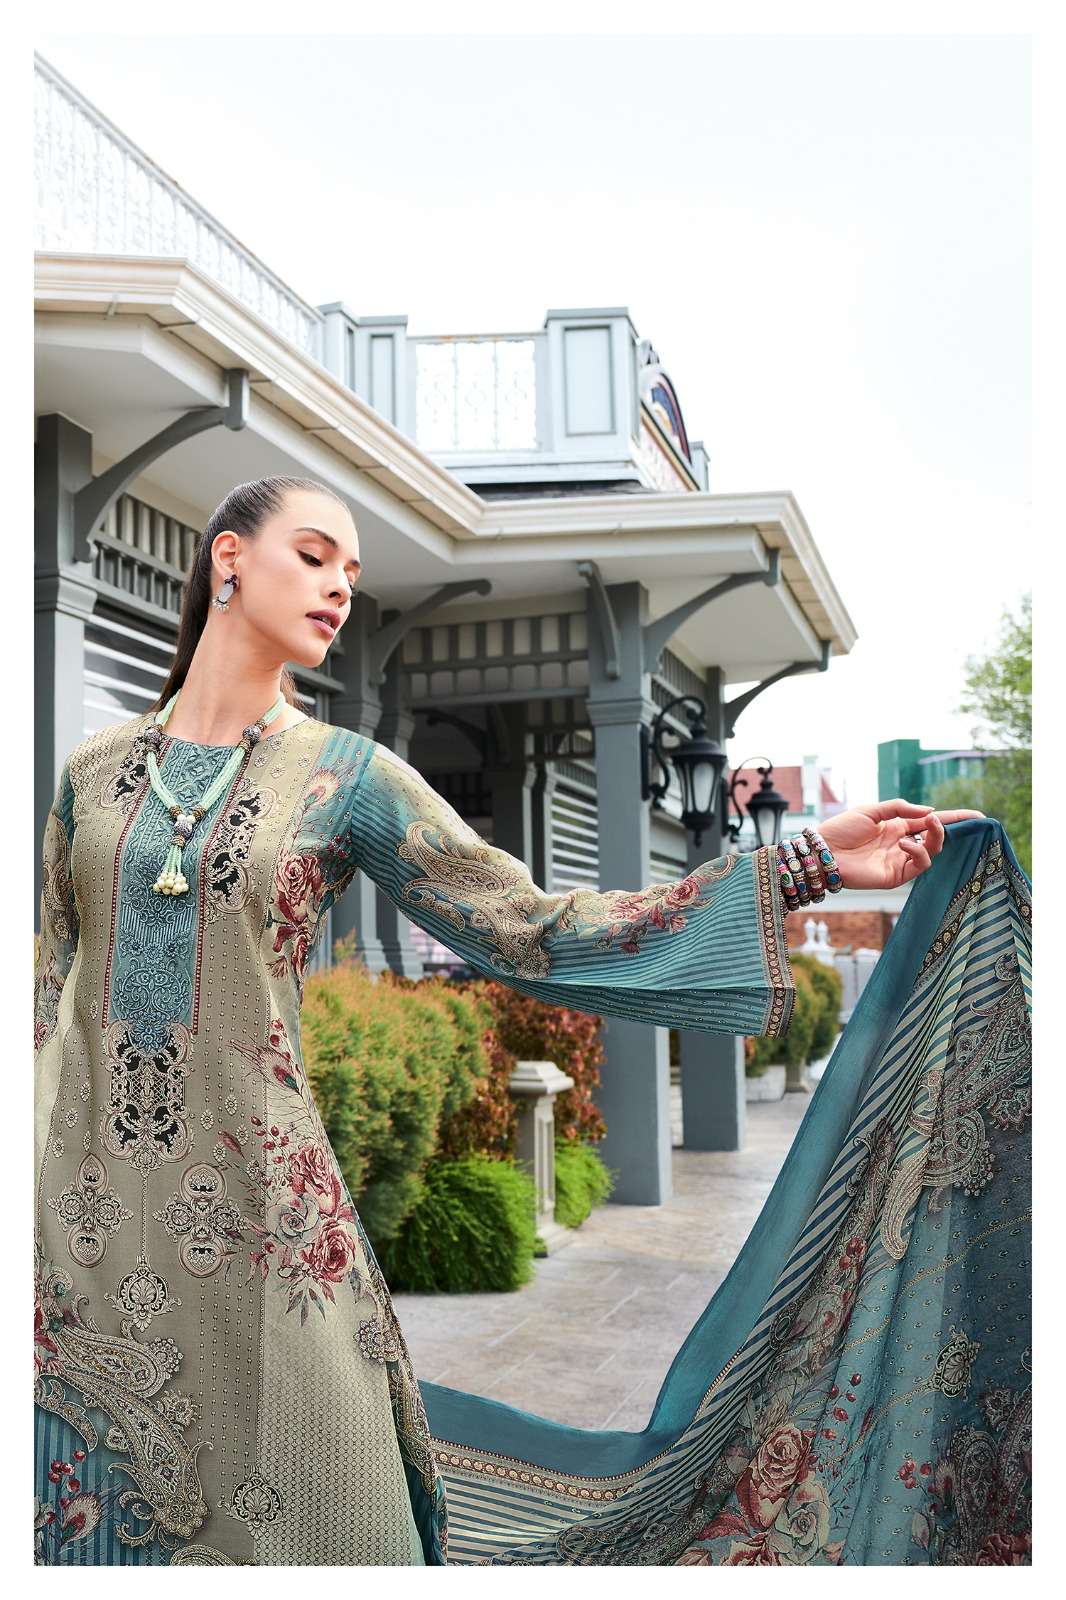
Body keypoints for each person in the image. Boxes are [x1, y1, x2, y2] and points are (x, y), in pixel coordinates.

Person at [33, 474, 988, 1566]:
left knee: (343, 1526)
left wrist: (806, 863)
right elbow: (45, 995)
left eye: (354, 572)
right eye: (314, 555)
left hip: (260, 1225)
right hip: (74, 1223)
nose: (341, 586)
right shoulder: (92, 777)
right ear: (230, 559)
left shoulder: (347, 777)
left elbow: (533, 928)